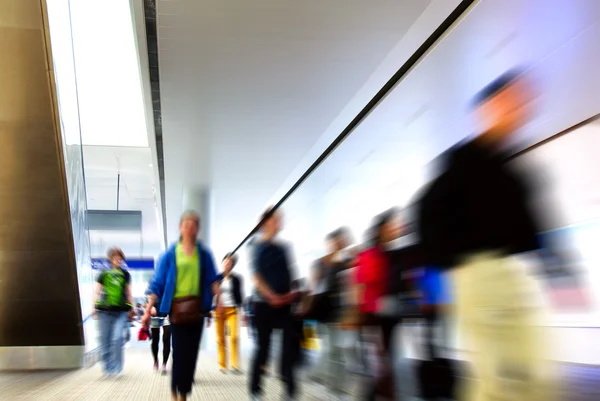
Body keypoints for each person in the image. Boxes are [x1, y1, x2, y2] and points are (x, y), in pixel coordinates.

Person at [416, 69, 585, 401]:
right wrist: (447, 274)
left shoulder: (514, 171)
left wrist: (562, 277)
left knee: (535, 373)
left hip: (512, 275)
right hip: (476, 274)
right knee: (492, 378)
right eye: (511, 99)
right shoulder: (461, 164)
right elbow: (427, 216)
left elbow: (535, 227)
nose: (520, 107)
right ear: (487, 108)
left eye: (523, 100)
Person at [142, 210, 219, 401]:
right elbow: (158, 283)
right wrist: (147, 309)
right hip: (177, 311)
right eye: (186, 224)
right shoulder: (170, 254)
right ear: (180, 227)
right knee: (179, 352)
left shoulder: (204, 254)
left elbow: (212, 280)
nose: (190, 228)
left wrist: (221, 301)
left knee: (191, 354)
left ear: (197, 229)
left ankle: (183, 392)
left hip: (198, 310)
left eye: (193, 225)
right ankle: (176, 393)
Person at [249, 207, 298, 401]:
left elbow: (290, 273)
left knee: (289, 347)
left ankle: (290, 391)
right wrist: (271, 296)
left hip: (285, 305)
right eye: (276, 219)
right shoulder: (256, 246)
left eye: (280, 219)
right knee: (263, 348)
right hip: (263, 305)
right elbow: (257, 277)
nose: (279, 222)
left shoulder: (284, 248)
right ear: (266, 222)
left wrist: (292, 293)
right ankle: (255, 390)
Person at [355, 209, 404, 400]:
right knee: (381, 362)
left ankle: (377, 394)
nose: (396, 228)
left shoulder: (391, 254)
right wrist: (361, 314)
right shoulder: (369, 254)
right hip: (374, 315)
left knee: (386, 360)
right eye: (393, 225)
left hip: (390, 314)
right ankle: (381, 394)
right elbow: (361, 285)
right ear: (382, 228)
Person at [93, 247, 134, 377]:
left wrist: (132, 308)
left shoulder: (126, 274)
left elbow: (128, 292)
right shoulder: (103, 273)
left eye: (120, 258)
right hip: (104, 311)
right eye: (116, 257)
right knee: (105, 340)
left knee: (117, 337)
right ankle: (107, 368)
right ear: (110, 259)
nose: (118, 260)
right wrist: (93, 307)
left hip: (121, 311)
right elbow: (97, 291)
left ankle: (117, 368)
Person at [214, 252, 244, 374]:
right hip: (219, 310)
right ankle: (222, 365)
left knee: (234, 337)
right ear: (222, 262)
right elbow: (212, 294)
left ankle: (235, 365)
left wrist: (242, 311)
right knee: (221, 338)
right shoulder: (216, 278)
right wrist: (211, 309)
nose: (227, 263)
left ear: (232, 265)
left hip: (232, 310)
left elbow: (240, 295)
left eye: (230, 262)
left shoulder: (236, 279)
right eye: (226, 261)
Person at [150, 306, 171, 375]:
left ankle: (164, 364)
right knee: (155, 339)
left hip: (168, 313)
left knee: (166, 338)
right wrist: (151, 306)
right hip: (155, 313)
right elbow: (148, 296)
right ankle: (155, 360)